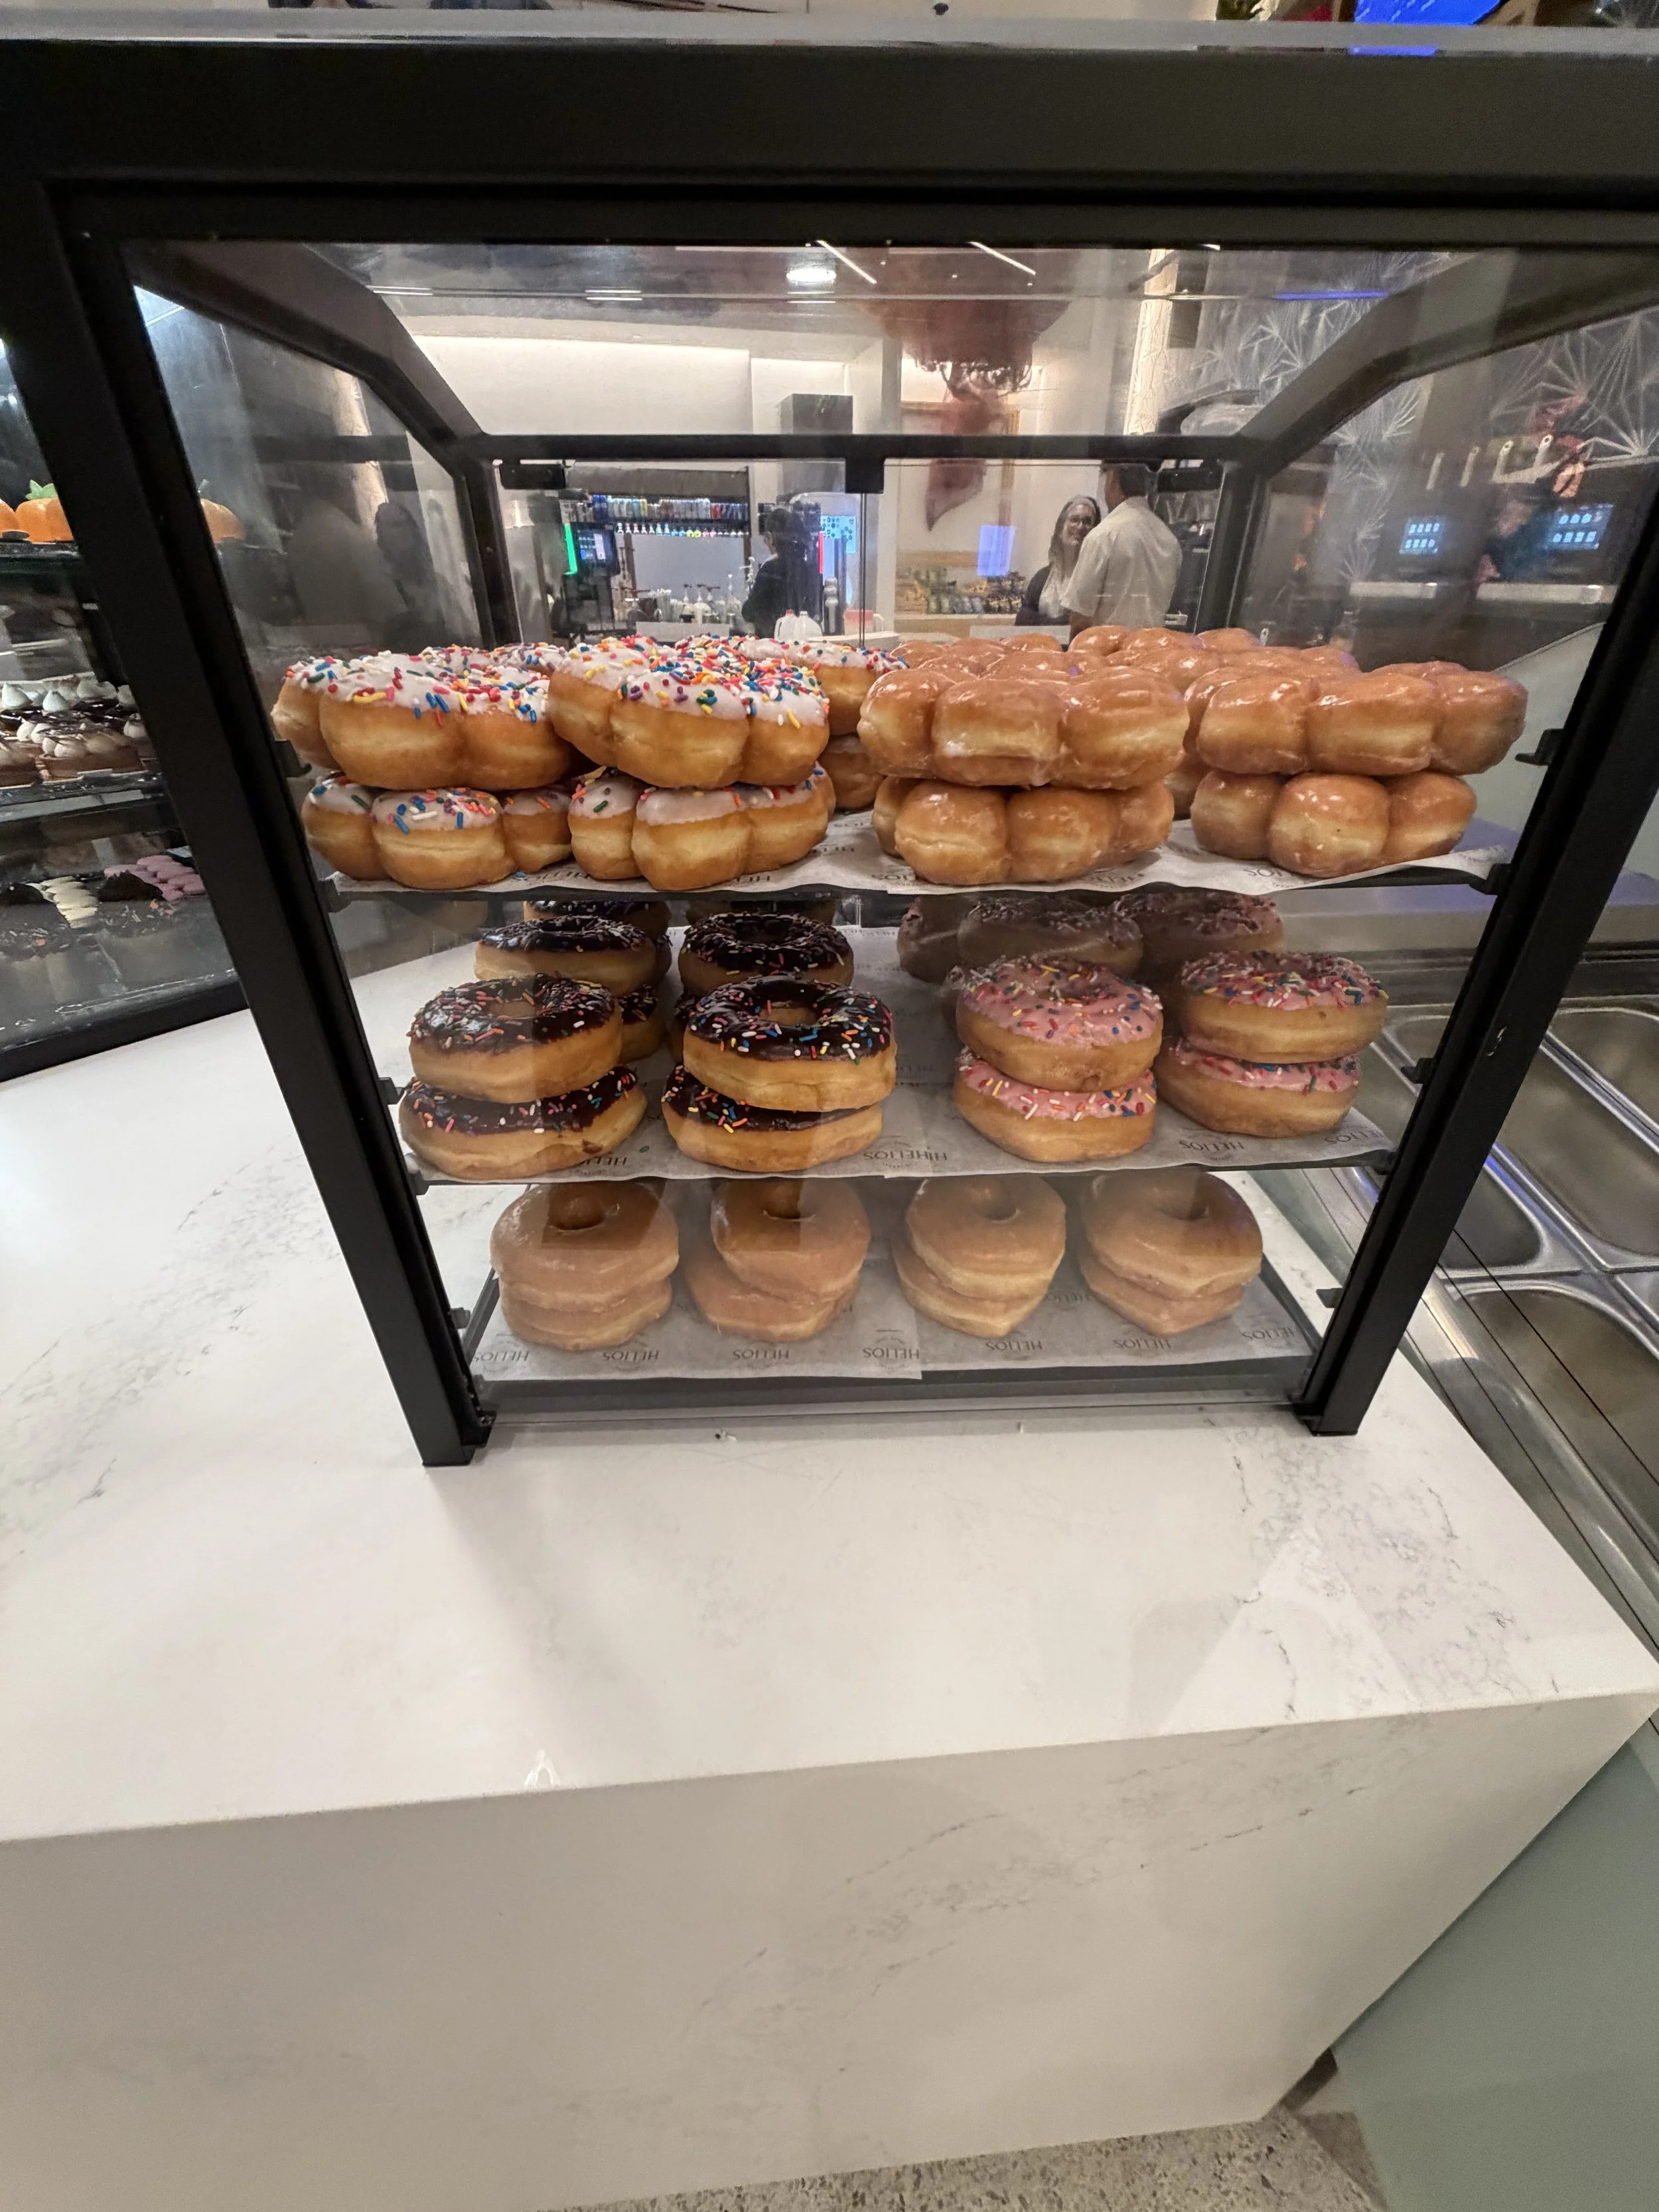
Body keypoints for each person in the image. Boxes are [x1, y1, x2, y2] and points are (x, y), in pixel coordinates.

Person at [1064, 465, 1182, 636]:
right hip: (1152, 648)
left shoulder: (1104, 536)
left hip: (1108, 650)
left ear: (1112, 478)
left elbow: (1080, 619)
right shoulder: (1170, 540)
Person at [742, 495, 824, 637]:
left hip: (774, 641)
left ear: (771, 537)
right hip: (804, 638)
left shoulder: (770, 569)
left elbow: (749, 613)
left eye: (766, 540)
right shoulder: (806, 567)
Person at [1016, 496, 1100, 627]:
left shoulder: (1097, 577)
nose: (1080, 526)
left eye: (1087, 522)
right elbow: (1023, 620)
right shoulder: (1043, 577)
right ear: (1060, 529)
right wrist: (1056, 623)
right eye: (1074, 520)